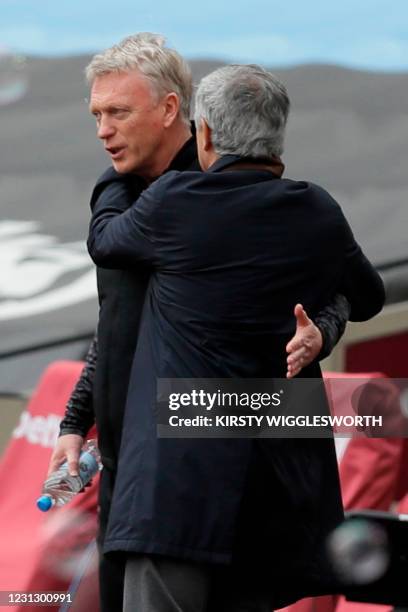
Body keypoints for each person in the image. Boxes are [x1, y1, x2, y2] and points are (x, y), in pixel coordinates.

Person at [48, 34, 363, 610]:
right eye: (96, 114)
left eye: (118, 112)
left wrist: (324, 328)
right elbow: (117, 328)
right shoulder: (146, 195)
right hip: (140, 475)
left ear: (175, 112)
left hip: (218, 484)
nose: (102, 130)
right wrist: (76, 422)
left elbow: (343, 286)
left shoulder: (209, 195)